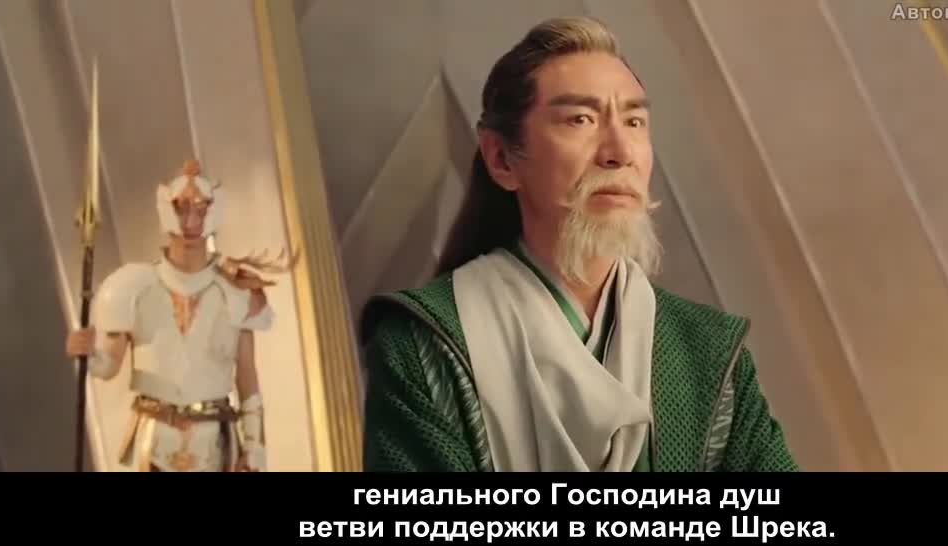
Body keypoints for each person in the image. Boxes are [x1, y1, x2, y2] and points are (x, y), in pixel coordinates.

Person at [358, 16, 800, 472]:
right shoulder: (425, 343)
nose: (619, 153)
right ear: (502, 158)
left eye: (634, 121)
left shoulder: (706, 349)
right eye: (580, 119)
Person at [64, 160, 292, 472]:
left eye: (200, 209)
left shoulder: (236, 290)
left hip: (214, 443)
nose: (191, 221)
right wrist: (87, 353)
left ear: (213, 211)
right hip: (154, 438)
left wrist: (255, 449)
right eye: (182, 209)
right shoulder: (133, 287)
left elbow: (247, 380)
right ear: (167, 208)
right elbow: (108, 366)